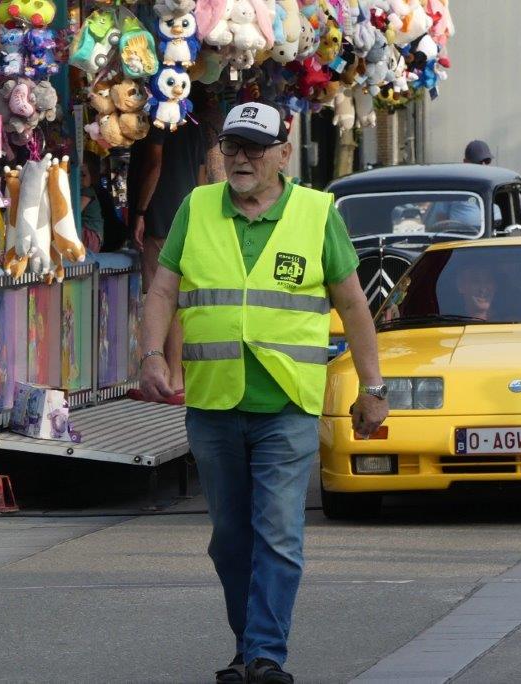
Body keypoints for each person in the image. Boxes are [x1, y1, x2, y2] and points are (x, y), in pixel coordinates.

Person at [139, 102, 387, 684]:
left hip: (286, 406)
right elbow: (162, 291)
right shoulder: (196, 207)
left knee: (278, 530)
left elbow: (353, 304)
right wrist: (152, 355)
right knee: (230, 539)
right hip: (214, 403)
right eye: (232, 146)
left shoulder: (316, 212)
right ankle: (246, 642)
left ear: (283, 151)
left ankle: (265, 655)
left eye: (255, 147)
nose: (242, 158)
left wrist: (374, 387)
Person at [127, 90, 208, 401]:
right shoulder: (194, 123)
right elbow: (201, 177)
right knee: (178, 298)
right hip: (186, 214)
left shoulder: (160, 123)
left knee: (162, 296)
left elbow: (154, 165)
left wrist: (140, 212)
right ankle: (178, 377)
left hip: (161, 215)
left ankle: (171, 380)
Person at [79, 154, 105, 253]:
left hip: (90, 235)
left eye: (83, 175)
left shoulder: (88, 192)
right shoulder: (81, 192)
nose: (80, 178)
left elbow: (74, 213)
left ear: (92, 177)